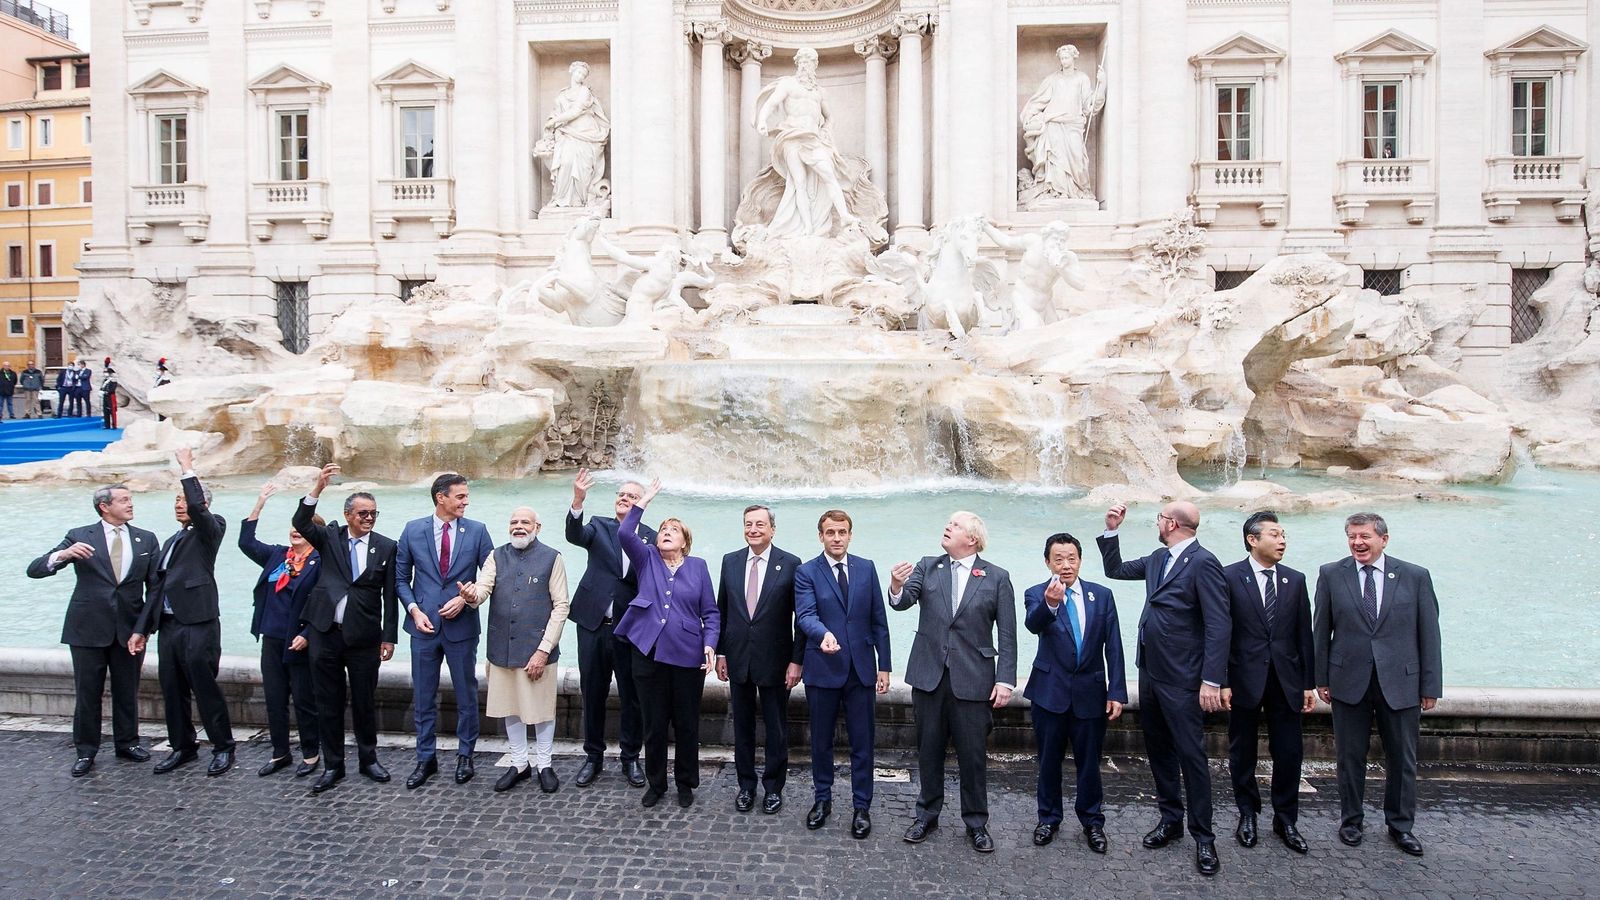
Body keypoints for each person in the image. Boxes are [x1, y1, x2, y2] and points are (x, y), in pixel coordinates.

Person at [1097, 501, 1230, 876]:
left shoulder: (1204, 562)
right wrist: (1111, 531)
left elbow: (1219, 624)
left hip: (1184, 677)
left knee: (1191, 756)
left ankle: (1204, 837)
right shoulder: (1158, 558)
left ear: (1171, 524)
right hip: (1151, 672)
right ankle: (1171, 819)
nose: (1157, 523)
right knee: (1158, 751)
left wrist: (1211, 680)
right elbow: (1115, 570)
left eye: (1160, 518)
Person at [889, 512, 1018, 854]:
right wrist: (896, 585)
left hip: (974, 679)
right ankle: (926, 815)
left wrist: (1005, 680)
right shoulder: (928, 566)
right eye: (948, 522)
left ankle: (976, 822)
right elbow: (903, 602)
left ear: (972, 539)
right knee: (928, 750)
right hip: (929, 676)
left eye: (956, 525)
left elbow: (1007, 634)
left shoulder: (997, 577)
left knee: (973, 756)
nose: (948, 526)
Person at [1314, 513, 1442, 858]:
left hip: (1401, 682)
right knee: (1349, 757)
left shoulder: (1415, 576)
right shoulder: (1331, 574)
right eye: (1352, 536)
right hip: (1348, 681)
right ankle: (1351, 821)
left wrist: (1430, 685)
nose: (1358, 543)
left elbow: (1429, 634)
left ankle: (1401, 826)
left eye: (1365, 536)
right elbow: (1320, 630)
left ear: (1383, 539)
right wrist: (1320, 679)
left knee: (1402, 758)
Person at [27, 483, 162, 776]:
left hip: (130, 630)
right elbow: (34, 570)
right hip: (86, 629)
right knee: (88, 693)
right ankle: (86, 751)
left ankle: (127, 743)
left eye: (130, 499)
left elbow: (155, 589)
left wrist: (143, 629)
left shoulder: (147, 539)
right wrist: (63, 555)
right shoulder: (79, 536)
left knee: (127, 690)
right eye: (123, 500)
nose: (130, 504)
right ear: (104, 506)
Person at [293, 463, 400, 794]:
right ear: (348, 515)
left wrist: (389, 636)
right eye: (363, 513)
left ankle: (369, 760)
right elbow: (301, 522)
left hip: (364, 637)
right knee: (328, 702)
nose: (369, 518)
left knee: (365, 702)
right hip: (325, 633)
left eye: (373, 513)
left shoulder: (387, 546)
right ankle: (333, 765)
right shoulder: (329, 537)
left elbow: (390, 594)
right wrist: (317, 488)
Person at [129, 448, 236, 777]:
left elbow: (198, 510)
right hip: (169, 625)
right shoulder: (172, 540)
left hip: (198, 623)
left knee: (204, 687)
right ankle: (183, 747)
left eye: (184, 499)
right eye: (175, 500)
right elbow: (157, 589)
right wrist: (141, 629)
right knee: (172, 689)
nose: (179, 504)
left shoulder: (211, 529)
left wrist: (187, 468)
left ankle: (223, 746)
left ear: (201, 504)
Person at [614, 479, 720, 808]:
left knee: (686, 724)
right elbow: (625, 533)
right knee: (654, 724)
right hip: (648, 653)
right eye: (663, 529)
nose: (667, 532)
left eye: (674, 529)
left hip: (688, 656)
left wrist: (710, 644)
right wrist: (644, 500)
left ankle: (686, 783)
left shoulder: (698, 567)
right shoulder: (647, 557)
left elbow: (710, 612)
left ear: (685, 542)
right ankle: (656, 783)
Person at [1023, 532, 1126, 853]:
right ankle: (1048, 818)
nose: (1065, 565)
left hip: (1090, 693)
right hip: (1049, 693)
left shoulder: (1102, 595)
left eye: (1071, 558)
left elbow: (1114, 646)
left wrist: (1117, 691)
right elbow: (1033, 625)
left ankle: (1092, 822)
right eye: (1058, 559)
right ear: (1047, 562)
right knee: (1048, 762)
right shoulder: (1036, 593)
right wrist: (1051, 602)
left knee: (1090, 763)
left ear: (1080, 561)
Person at [794, 509, 890, 839]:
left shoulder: (867, 568)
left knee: (863, 743)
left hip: (861, 670)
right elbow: (805, 615)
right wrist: (823, 634)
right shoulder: (806, 572)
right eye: (830, 532)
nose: (837, 538)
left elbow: (878, 619)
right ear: (821, 536)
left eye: (842, 532)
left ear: (850, 535)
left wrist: (885, 665)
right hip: (823, 668)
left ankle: (862, 806)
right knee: (821, 742)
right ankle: (822, 800)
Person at [1222, 512, 1314, 854]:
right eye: (1274, 534)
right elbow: (1220, 632)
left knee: (1289, 752)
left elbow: (1304, 635)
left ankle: (1286, 819)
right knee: (1242, 752)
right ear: (1252, 539)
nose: (1282, 540)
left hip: (1286, 680)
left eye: (1283, 534)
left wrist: (1308, 683)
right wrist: (1222, 680)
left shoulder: (1295, 579)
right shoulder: (1229, 576)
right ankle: (1247, 813)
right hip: (1243, 679)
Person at [396, 473, 495, 789]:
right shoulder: (412, 530)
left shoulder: (478, 531)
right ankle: (425, 758)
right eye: (460, 496)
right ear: (441, 497)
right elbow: (401, 579)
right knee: (423, 696)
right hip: (422, 625)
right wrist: (414, 609)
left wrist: (464, 600)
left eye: (466, 496)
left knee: (466, 694)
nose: (466, 501)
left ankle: (466, 756)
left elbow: (490, 577)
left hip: (461, 625)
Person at [469, 508, 570, 793]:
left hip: (537, 650)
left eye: (525, 522)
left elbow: (561, 606)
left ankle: (545, 765)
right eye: (513, 522)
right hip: (501, 648)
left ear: (538, 526)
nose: (518, 526)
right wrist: (470, 596)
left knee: (542, 710)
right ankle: (519, 763)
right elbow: (482, 590)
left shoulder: (552, 557)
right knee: (510, 707)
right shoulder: (496, 556)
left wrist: (543, 650)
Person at [565, 468, 655, 788]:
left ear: (643, 503)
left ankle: (631, 757)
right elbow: (575, 535)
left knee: (632, 696)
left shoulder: (652, 537)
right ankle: (593, 756)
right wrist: (578, 500)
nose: (625, 499)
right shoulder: (599, 526)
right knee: (592, 693)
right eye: (621, 495)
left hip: (629, 630)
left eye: (632, 496)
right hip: (593, 625)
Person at [714, 504, 804, 815]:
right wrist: (721, 652)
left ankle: (773, 787)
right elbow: (722, 610)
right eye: (748, 524)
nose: (753, 529)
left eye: (760, 524)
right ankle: (746, 786)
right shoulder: (730, 561)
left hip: (776, 660)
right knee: (742, 727)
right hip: (738, 657)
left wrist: (796, 661)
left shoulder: (791, 564)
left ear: (772, 530)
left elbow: (801, 617)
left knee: (776, 728)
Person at [238, 482, 323, 778]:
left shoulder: (321, 562)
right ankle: (280, 752)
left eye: (303, 527)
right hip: (272, 638)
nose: (295, 531)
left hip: (300, 640)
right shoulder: (277, 555)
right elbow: (246, 543)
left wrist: (308, 634)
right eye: (294, 526)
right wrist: (259, 503)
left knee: (304, 700)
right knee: (274, 700)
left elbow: (324, 603)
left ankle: (311, 753)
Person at [1020, 44, 1108, 201]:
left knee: (1078, 160)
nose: (1064, 61)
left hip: (1074, 124)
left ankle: (1079, 190)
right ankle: (1057, 192)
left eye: (1066, 57)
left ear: (1074, 57)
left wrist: (1102, 85)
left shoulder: (1082, 79)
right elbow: (1038, 101)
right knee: (1056, 160)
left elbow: (1090, 106)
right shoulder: (1052, 79)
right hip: (1053, 124)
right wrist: (1029, 115)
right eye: (1061, 58)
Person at [536, 60, 610, 209]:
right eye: (578, 72)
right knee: (566, 162)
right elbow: (556, 112)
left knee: (583, 166)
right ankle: (560, 198)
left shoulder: (584, 91)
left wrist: (555, 121)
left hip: (585, 132)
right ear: (571, 71)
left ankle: (580, 200)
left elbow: (575, 111)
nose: (580, 76)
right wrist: (552, 121)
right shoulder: (562, 94)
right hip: (566, 133)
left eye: (583, 74)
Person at [100, 360, 119, 429]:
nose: (105, 374)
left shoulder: (113, 380)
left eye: (107, 372)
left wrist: (106, 392)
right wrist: (101, 391)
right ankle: (107, 425)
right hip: (105, 396)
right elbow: (102, 387)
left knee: (112, 411)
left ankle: (114, 425)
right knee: (105, 410)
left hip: (111, 396)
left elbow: (112, 389)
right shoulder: (105, 380)